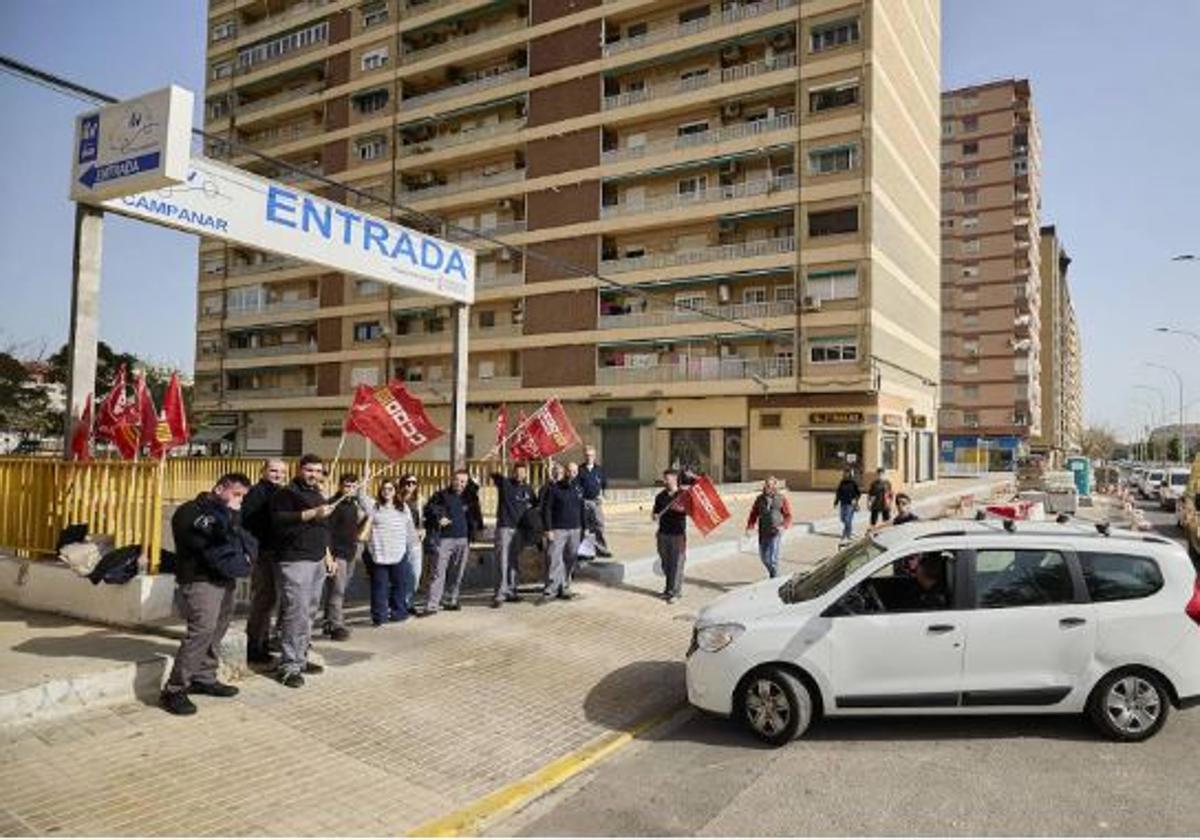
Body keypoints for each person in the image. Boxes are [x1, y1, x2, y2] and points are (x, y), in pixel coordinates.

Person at [161, 473, 256, 716]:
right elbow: (209, 544)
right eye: (236, 495)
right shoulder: (191, 512)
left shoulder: (229, 514)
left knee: (218, 629)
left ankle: (204, 676)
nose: (239, 501)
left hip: (225, 579)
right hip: (200, 580)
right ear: (218, 489)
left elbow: (242, 542)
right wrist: (228, 519)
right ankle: (175, 689)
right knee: (201, 632)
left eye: (243, 497)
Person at [269, 453, 336, 688]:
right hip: (295, 561)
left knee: (308, 613)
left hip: (317, 560)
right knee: (295, 613)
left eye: (318, 471)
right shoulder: (286, 494)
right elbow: (278, 520)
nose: (314, 475)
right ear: (299, 470)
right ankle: (288, 665)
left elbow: (323, 528)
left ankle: (301, 657)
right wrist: (313, 513)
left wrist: (328, 556)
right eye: (309, 470)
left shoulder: (318, 494)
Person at [358, 478, 421, 626]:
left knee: (400, 585)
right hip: (379, 553)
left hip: (399, 552)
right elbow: (360, 497)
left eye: (390, 489)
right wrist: (362, 484)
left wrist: (414, 545)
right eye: (384, 489)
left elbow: (409, 528)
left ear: (395, 491)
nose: (387, 492)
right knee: (379, 587)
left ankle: (399, 613)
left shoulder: (403, 507)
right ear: (380, 491)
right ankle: (380, 617)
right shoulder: (373, 506)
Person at [241, 459, 286, 664]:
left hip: (274, 552)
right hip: (261, 553)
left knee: (270, 600)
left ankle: (263, 640)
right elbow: (247, 524)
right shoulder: (256, 493)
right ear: (263, 471)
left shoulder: (279, 492)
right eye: (273, 470)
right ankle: (254, 645)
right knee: (263, 599)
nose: (277, 474)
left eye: (281, 471)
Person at [421, 469, 480, 615]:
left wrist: (477, 530)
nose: (459, 484)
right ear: (451, 479)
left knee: (457, 572)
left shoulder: (469, 498)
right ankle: (432, 604)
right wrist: (439, 517)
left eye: (463, 481)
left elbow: (476, 513)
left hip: (463, 540)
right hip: (444, 539)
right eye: (457, 480)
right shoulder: (441, 495)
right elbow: (429, 508)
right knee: (438, 572)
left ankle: (450, 600)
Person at [321, 473, 367, 641]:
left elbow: (354, 528)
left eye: (354, 486)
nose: (350, 489)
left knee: (340, 589)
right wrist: (329, 557)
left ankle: (328, 621)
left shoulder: (353, 504)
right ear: (340, 486)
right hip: (337, 553)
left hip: (351, 551)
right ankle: (336, 625)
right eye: (347, 486)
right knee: (337, 590)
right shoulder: (333, 504)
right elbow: (327, 532)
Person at [490, 462, 534, 607]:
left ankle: (511, 591)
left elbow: (535, 506)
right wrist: (494, 457)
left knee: (513, 561)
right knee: (501, 561)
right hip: (505, 528)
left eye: (523, 472)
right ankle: (499, 594)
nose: (520, 474)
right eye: (518, 472)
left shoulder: (528, 489)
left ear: (526, 474)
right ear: (513, 472)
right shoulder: (505, 484)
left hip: (519, 530)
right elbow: (492, 470)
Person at [540, 462, 585, 601]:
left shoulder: (578, 488)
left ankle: (565, 586)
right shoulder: (554, 489)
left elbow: (582, 509)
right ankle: (551, 589)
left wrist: (585, 527)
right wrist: (548, 529)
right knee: (554, 558)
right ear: (565, 472)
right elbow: (546, 509)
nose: (572, 474)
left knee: (570, 558)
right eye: (569, 471)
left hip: (575, 529)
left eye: (574, 471)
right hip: (558, 529)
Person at [745, 476, 793, 578]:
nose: (769, 487)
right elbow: (753, 514)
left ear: (775, 486)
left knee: (772, 559)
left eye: (771, 485)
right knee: (764, 558)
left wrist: (784, 526)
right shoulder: (759, 499)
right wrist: (750, 527)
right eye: (767, 485)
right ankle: (773, 572)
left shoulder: (781, 498)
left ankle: (774, 577)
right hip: (763, 531)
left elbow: (788, 515)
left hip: (776, 531)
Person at [653, 470, 689, 603]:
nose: (665, 481)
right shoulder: (660, 496)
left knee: (677, 564)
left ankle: (676, 593)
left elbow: (688, 510)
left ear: (674, 479)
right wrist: (655, 516)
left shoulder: (683, 495)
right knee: (666, 564)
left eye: (667, 479)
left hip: (678, 535)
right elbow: (655, 512)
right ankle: (668, 589)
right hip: (663, 534)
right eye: (664, 479)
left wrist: (680, 510)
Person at [397, 474, 423, 614]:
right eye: (408, 483)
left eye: (414, 483)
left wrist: (422, 529)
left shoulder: (418, 500)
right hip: (399, 541)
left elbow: (421, 520)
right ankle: (401, 604)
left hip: (415, 542)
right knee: (400, 575)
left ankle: (408, 601)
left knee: (415, 575)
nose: (411, 486)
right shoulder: (396, 500)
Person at [577, 446, 611, 557]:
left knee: (599, 525)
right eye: (587, 455)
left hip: (596, 502)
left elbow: (604, 484)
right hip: (584, 502)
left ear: (594, 456)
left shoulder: (599, 470)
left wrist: (603, 495)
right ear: (584, 456)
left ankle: (602, 549)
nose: (589, 457)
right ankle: (584, 551)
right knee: (584, 527)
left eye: (591, 455)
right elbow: (576, 486)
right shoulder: (580, 469)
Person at [834, 468, 861, 542]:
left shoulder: (853, 483)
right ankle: (849, 530)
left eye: (847, 473)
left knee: (847, 519)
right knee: (842, 519)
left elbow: (858, 493)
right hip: (843, 503)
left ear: (850, 474)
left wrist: (855, 500)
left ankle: (846, 534)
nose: (846, 474)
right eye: (845, 473)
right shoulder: (842, 482)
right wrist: (836, 502)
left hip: (850, 504)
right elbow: (838, 493)